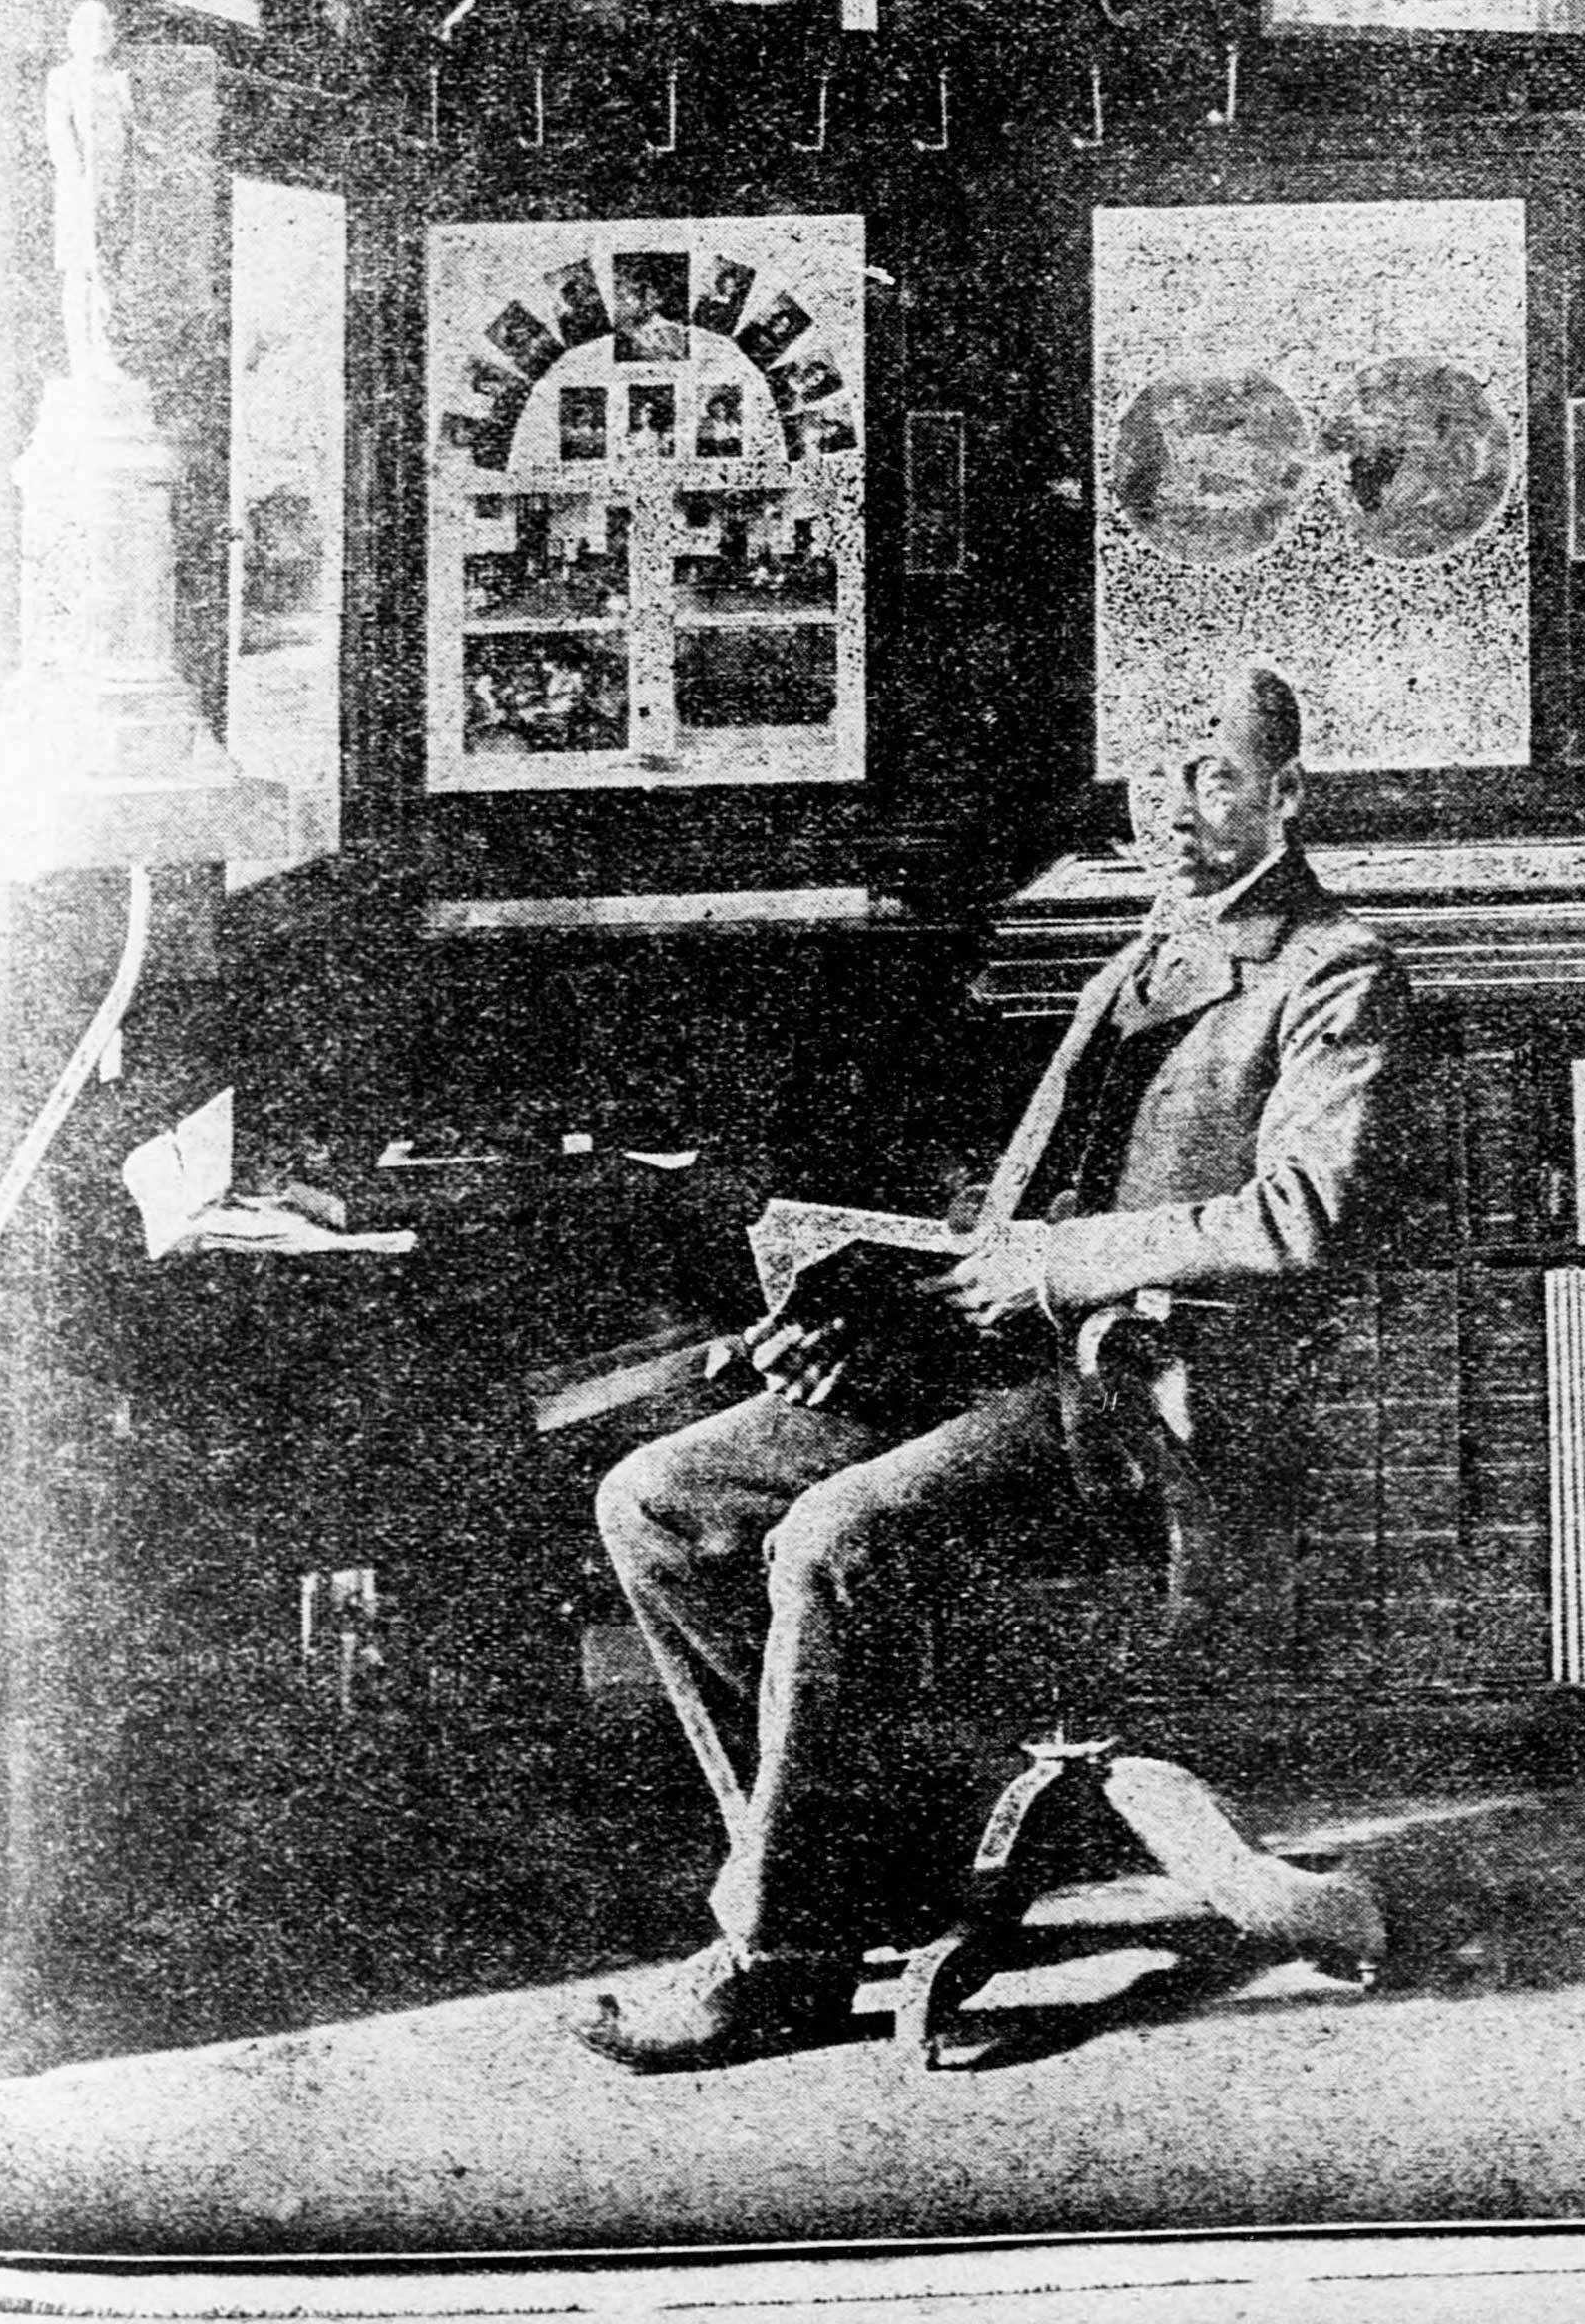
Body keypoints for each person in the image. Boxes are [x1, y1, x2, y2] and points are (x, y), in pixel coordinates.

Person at [582, 666, 1405, 2071]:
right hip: (1009, 1355)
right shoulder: (1136, 959)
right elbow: (1016, 1220)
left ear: (1286, 794)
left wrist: (1059, 1262)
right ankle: (837, 1882)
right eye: (1153, 779)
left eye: (1209, 775)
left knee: (830, 1538)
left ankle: (779, 1957)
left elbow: (1299, 1218)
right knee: (657, 1498)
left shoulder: (1336, 969)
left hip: (1145, 1402)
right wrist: (865, 1290)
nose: (1175, 807)